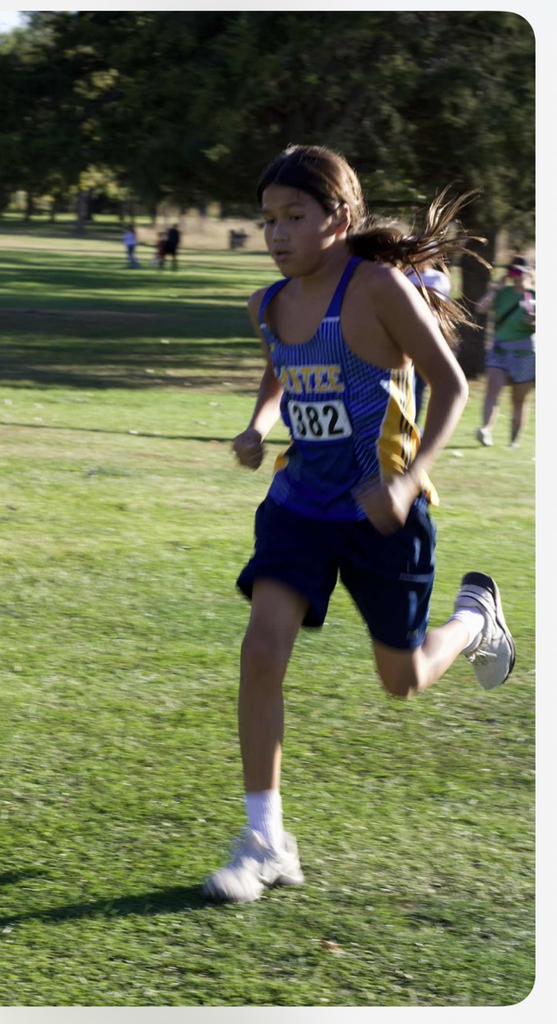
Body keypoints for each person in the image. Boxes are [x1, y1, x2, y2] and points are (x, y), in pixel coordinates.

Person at [202, 144, 516, 904]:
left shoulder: (376, 288)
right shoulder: (266, 303)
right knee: (260, 649)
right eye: (267, 219)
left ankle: (475, 622)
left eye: (293, 217)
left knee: (399, 679)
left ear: (338, 219)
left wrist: (407, 481)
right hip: (300, 507)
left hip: (382, 514)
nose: (276, 234)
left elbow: (447, 382)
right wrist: (257, 424)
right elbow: (281, 363)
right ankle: (263, 838)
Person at [475, 255, 535, 448]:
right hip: (499, 348)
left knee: (519, 400)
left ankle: (514, 441)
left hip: (525, 353)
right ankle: (485, 431)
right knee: (493, 389)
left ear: (529, 274)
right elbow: (480, 309)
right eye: (512, 271)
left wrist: (534, 322)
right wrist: (495, 289)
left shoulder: (536, 296)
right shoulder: (503, 292)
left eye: (519, 272)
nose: (515, 275)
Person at [406, 259, 452, 426]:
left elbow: (443, 310)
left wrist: (446, 338)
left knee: (420, 386)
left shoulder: (440, 279)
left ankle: (414, 426)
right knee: (406, 382)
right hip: (405, 336)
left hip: (430, 337)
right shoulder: (403, 276)